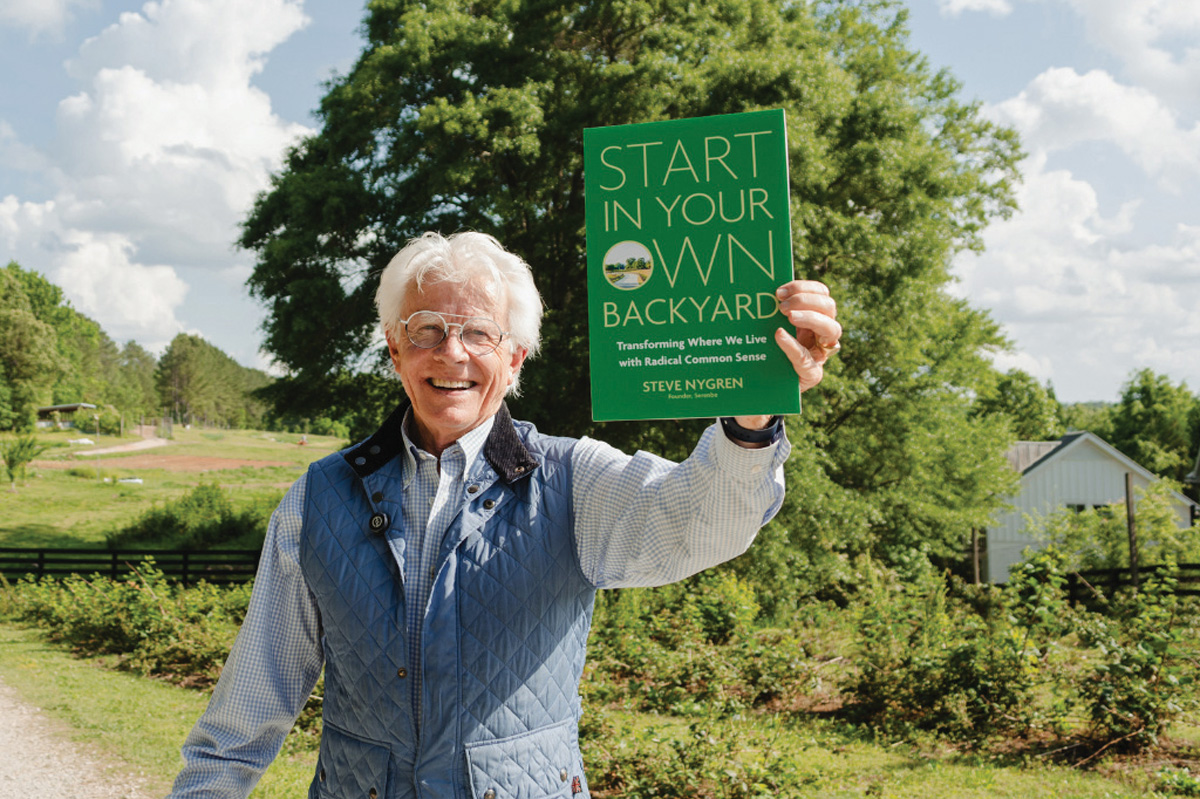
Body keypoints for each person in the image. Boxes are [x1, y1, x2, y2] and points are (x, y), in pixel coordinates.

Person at [167, 231, 841, 799]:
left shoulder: (574, 478)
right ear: (394, 348)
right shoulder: (317, 498)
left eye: (479, 333)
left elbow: (698, 521)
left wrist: (752, 418)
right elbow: (244, 715)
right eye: (426, 328)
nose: (451, 352)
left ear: (515, 357)